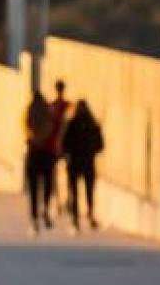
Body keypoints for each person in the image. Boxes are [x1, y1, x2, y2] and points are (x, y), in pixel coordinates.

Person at [61, 99, 105, 231]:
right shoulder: (93, 125)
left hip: (74, 163)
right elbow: (100, 145)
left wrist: (68, 154)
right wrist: (90, 151)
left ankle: (75, 220)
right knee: (88, 191)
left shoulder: (71, 124)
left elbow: (64, 144)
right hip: (88, 162)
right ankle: (90, 214)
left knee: (74, 191)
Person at [22, 91, 54, 234]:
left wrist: (34, 139)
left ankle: (34, 219)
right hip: (47, 154)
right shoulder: (48, 112)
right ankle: (46, 206)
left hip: (33, 154)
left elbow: (25, 128)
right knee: (47, 184)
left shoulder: (28, 111)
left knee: (34, 189)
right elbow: (52, 128)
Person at [45, 80, 71, 220]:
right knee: (60, 176)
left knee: (56, 176)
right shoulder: (65, 106)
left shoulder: (53, 107)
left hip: (55, 146)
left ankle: (60, 202)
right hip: (61, 147)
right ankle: (60, 202)